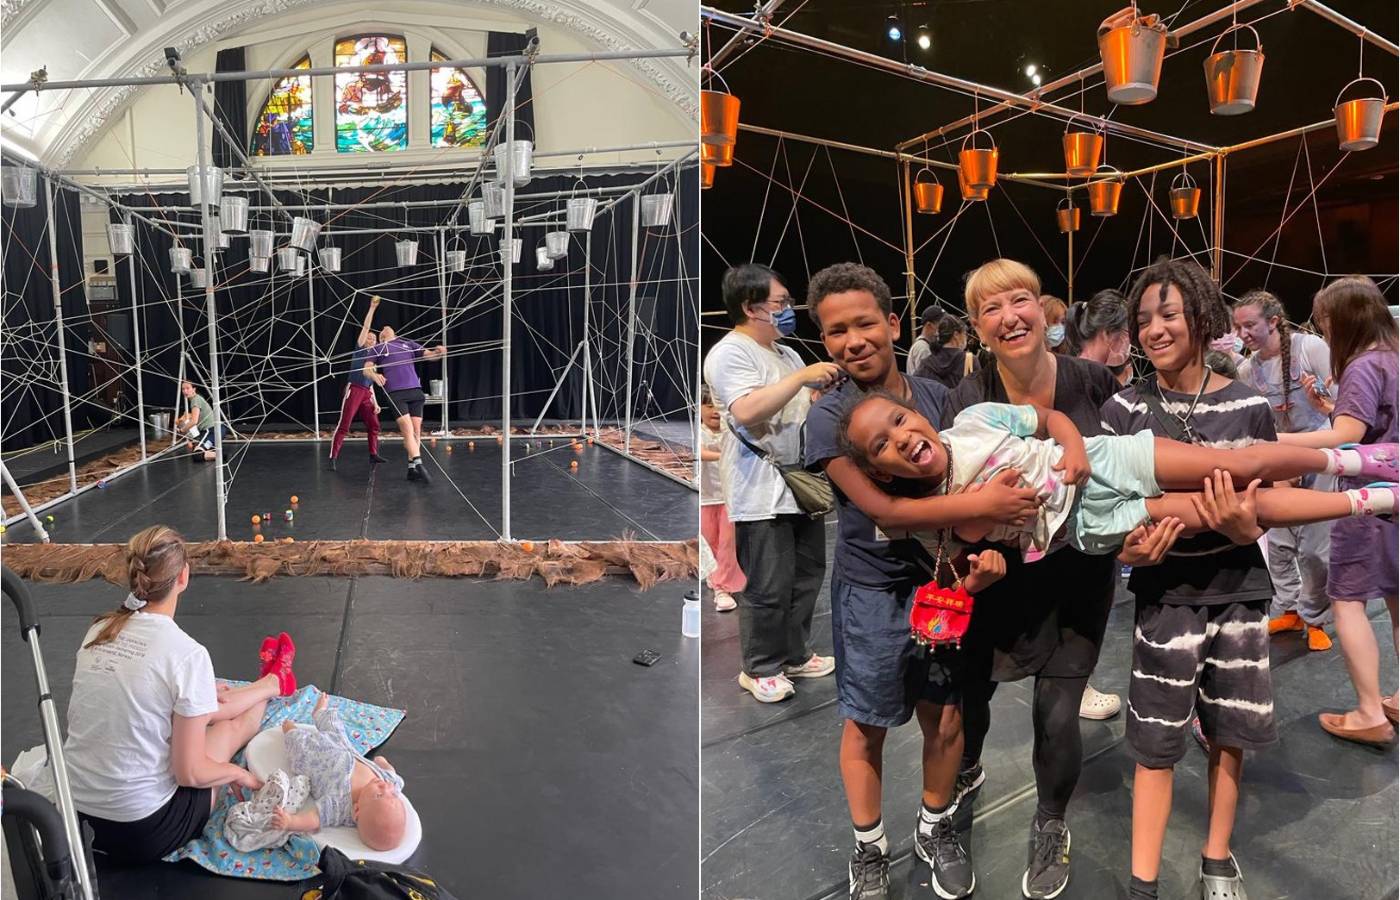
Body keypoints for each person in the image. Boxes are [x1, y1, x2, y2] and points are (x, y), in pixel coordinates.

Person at [943, 259, 1191, 900]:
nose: (1009, 317)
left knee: (1058, 714)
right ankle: (961, 784)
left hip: (1079, 576)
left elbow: (1130, 471)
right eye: (991, 309)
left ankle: (1050, 822)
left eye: (1019, 300)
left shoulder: (1091, 381)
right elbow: (957, 502)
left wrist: (1139, 539)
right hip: (997, 581)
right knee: (972, 711)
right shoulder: (970, 398)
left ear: (1042, 307)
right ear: (977, 326)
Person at [803, 263, 1031, 899]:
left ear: (893, 323)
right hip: (873, 593)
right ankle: (869, 848)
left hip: (944, 581)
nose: (854, 340)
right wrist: (983, 510)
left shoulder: (936, 397)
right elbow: (886, 512)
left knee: (948, 718)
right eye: (836, 331)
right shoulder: (829, 420)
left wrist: (987, 553)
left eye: (865, 323)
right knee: (865, 721)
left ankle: (935, 829)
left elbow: (976, 471)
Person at [1101, 257, 1294, 900]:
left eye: (1169, 314)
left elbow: (1274, 499)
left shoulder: (1246, 405)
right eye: (1144, 318)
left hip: (1239, 592)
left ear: (1203, 319)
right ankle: (1143, 883)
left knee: (1231, 732)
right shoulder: (1123, 409)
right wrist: (1134, 550)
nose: (1154, 329)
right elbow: (1106, 517)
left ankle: (1216, 860)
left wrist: (1248, 533)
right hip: (1167, 601)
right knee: (1155, 744)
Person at [61, 525, 292, 863]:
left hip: (73, 818)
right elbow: (190, 773)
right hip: (141, 831)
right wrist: (237, 773)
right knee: (228, 730)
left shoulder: (97, 631)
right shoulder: (187, 654)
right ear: (183, 577)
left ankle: (271, 683)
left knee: (205, 706)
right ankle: (273, 684)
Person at [702, 263, 840, 704]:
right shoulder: (730, 353)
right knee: (767, 585)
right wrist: (801, 378)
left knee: (806, 576)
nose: (787, 309)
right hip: (759, 488)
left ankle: (794, 654)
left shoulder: (787, 355)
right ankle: (759, 667)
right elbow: (746, 411)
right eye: (780, 303)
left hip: (799, 484)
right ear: (750, 306)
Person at [1278, 276, 1399, 746]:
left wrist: (1272, 440)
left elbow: (1343, 433)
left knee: (1347, 600)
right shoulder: (1394, 358)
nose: (1323, 333)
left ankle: (1369, 711)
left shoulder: (1364, 366)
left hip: (1368, 502)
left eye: (1325, 323)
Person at [1233, 290, 1337, 652]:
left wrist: (1322, 400)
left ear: (1274, 321)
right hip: (1279, 457)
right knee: (1277, 543)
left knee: (1314, 547)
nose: (1243, 333)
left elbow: (1340, 402)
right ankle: (1288, 608)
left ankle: (1315, 616)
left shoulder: (1311, 349)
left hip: (1320, 452)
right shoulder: (1247, 369)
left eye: (1250, 325)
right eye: (1238, 327)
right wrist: (1275, 468)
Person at [1063, 289, 1135, 719]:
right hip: (1089, 513)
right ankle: (1079, 686)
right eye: (1128, 333)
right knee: (1085, 605)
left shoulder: (1067, 371)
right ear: (1112, 335)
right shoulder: (1097, 380)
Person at [265, 693, 406, 851]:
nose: (385, 788)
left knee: (298, 744)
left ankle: (289, 728)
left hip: (315, 758)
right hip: (342, 746)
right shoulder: (390, 783)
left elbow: (316, 818)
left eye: (379, 795)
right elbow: (392, 774)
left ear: (357, 810)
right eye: (392, 794)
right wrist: (384, 764)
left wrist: (291, 822)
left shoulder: (341, 806)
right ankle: (320, 713)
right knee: (335, 727)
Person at [362, 323, 446, 482]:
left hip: (415, 391)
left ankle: (411, 468)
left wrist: (439, 353)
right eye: (382, 330)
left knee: (416, 431)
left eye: (388, 327)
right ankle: (419, 463)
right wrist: (375, 376)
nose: (385, 327)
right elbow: (366, 370)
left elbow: (430, 355)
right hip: (396, 393)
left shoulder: (408, 344)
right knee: (407, 430)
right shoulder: (378, 348)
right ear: (381, 337)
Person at [328, 295, 387, 470]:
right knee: (345, 424)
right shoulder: (360, 348)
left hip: (367, 393)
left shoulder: (373, 359)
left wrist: (375, 402)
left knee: (374, 425)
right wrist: (372, 309)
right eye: (369, 338)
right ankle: (333, 457)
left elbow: (371, 381)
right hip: (354, 390)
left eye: (374, 339)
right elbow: (366, 326)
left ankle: (373, 454)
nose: (372, 340)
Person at [699, 387, 744, 612]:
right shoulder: (700, 433)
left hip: (729, 498)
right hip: (707, 498)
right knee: (710, 542)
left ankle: (722, 587)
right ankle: (715, 574)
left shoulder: (730, 431)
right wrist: (724, 455)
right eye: (708, 406)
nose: (715, 411)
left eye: (718, 406)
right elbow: (700, 453)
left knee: (728, 543)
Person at [1065, 289, 1133, 386]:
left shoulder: (1073, 371)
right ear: (1107, 333)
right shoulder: (1081, 381)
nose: (1129, 342)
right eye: (1127, 333)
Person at [912, 311, 980, 391]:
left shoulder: (926, 365)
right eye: (965, 334)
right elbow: (979, 395)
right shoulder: (970, 361)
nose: (967, 339)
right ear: (956, 335)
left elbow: (915, 391)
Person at [174, 381, 227, 462]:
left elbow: (194, 421)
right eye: (183, 389)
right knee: (198, 450)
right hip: (216, 430)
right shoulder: (197, 399)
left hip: (212, 430)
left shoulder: (195, 400)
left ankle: (220, 456)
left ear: (194, 389)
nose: (185, 391)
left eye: (188, 388)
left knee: (197, 455)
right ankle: (214, 453)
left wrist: (182, 430)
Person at [907, 304, 940, 375]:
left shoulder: (924, 345)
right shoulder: (922, 348)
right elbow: (925, 379)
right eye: (940, 324)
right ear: (929, 325)